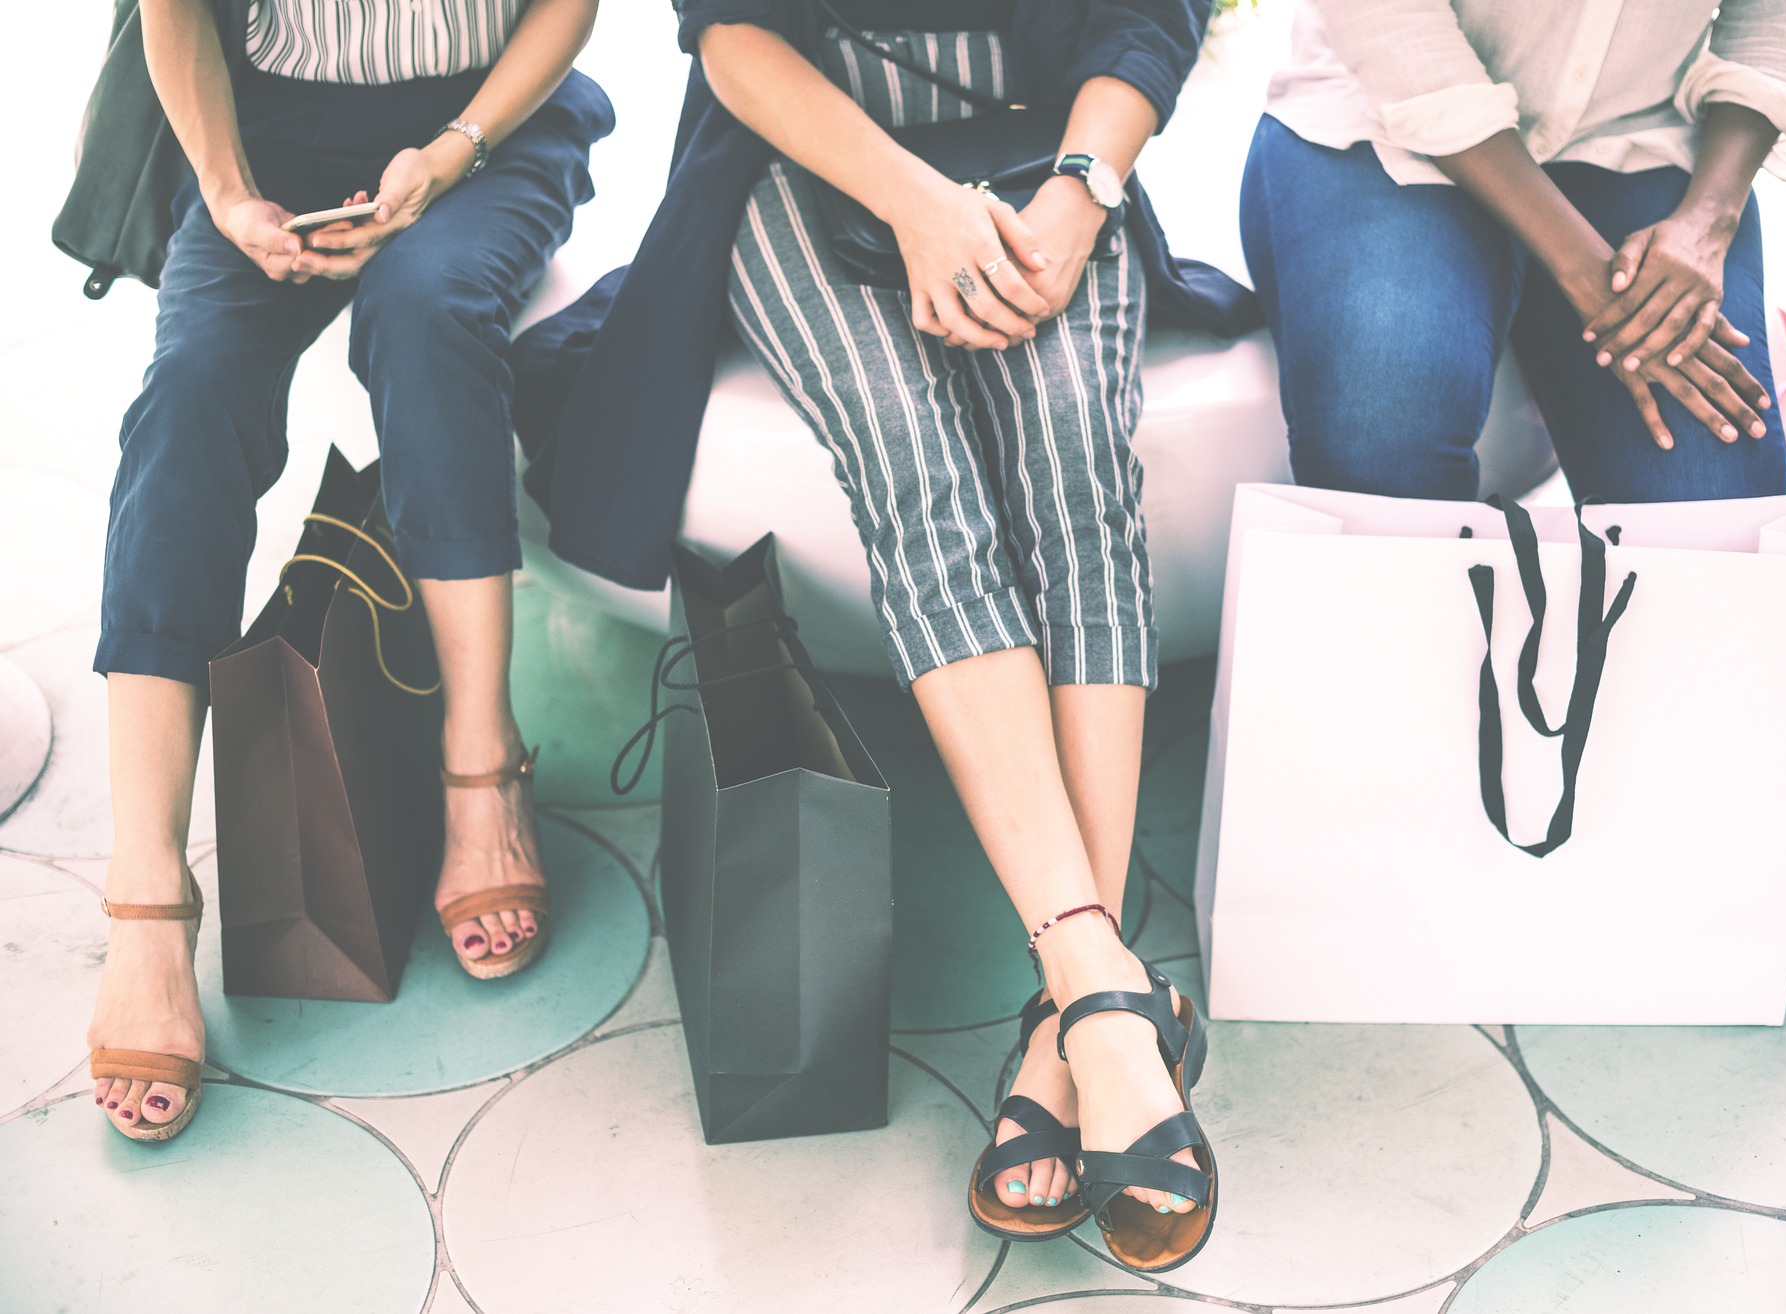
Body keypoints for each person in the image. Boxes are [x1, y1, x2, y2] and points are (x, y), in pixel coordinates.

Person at [615, 0, 1235, 1275]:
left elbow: (1152, 16)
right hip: (807, 162)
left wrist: (1084, 185)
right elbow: (730, 35)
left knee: (1077, 467)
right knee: (917, 471)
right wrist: (915, 200)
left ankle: (1079, 1018)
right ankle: (1105, 1002)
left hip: (1058, 158)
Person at [85, 0, 611, 1142]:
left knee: (426, 315)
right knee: (186, 402)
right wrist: (224, 193)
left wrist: (452, 150)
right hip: (261, 132)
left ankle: (483, 765)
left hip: (487, 126)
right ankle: (147, 898)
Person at [1241, 0, 1786, 502]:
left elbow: (1780, 11)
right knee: (1383, 434)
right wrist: (1585, 270)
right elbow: (1392, 24)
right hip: (1380, 118)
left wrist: (1708, 217)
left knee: (1710, 501)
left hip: (1633, 132)